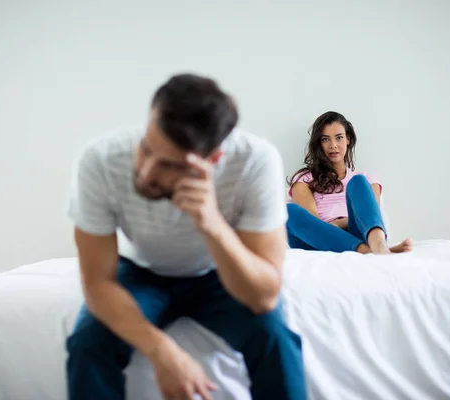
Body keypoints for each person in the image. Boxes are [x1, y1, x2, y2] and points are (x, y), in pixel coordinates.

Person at [66, 73, 307, 400]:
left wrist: (212, 223)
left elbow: (264, 295)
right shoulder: (102, 160)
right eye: (146, 149)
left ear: (213, 160)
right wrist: (164, 352)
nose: (147, 171)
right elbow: (97, 285)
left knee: (276, 339)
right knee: (88, 344)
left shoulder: (255, 161)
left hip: (220, 274)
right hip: (141, 272)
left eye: (169, 165)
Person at [287, 111, 412, 255]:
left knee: (358, 181)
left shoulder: (366, 180)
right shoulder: (304, 180)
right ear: (319, 143)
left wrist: (338, 223)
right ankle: (368, 251)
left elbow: (369, 217)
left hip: (358, 232)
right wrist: (332, 228)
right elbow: (314, 224)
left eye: (339, 138)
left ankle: (378, 245)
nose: (333, 145)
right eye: (325, 139)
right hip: (322, 239)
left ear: (348, 139)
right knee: (288, 211)